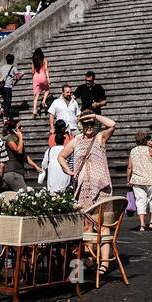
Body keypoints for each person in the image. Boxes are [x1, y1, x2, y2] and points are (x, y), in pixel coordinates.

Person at [59, 112, 117, 275]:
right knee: (87, 226)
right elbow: (61, 156)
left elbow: (112, 124)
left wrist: (94, 115)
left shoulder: (100, 137)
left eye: (90, 123)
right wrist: (68, 170)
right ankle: (90, 259)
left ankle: (104, 263)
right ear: (80, 125)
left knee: (104, 226)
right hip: (83, 188)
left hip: (101, 187)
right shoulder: (76, 140)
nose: (88, 126)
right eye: (85, 124)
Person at [127, 129, 152, 231]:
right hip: (151, 179)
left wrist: (128, 179)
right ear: (146, 140)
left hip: (137, 180)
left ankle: (142, 224)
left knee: (140, 201)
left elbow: (129, 167)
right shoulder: (149, 149)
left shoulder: (133, 151)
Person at [2, 118, 41, 191]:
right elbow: (19, 151)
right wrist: (20, 137)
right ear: (14, 129)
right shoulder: (10, 139)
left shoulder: (19, 141)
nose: (22, 128)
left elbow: (24, 156)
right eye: (19, 127)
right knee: (23, 195)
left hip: (17, 173)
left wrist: (35, 166)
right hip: (12, 173)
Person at [39, 121, 73, 192]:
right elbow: (71, 159)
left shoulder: (50, 149)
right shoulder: (66, 141)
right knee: (64, 188)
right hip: (64, 168)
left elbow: (44, 164)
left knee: (53, 189)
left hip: (53, 169)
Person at [0, 53, 22, 121]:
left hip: (2, 86)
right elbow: (18, 77)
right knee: (8, 102)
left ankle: (2, 109)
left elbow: (0, 76)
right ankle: (5, 118)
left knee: (5, 100)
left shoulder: (2, 67)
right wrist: (22, 74)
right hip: (8, 87)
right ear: (13, 60)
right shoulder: (13, 68)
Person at [31, 48, 51, 118]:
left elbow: (32, 71)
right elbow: (46, 69)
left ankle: (34, 110)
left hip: (35, 77)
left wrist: (33, 78)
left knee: (36, 95)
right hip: (42, 76)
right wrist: (48, 78)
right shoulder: (44, 60)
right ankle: (43, 101)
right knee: (47, 90)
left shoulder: (33, 61)